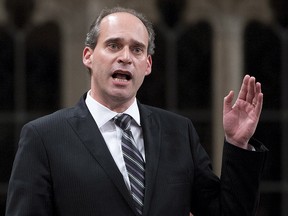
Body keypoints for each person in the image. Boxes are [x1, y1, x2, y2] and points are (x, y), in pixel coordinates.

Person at [5, 6, 267, 216]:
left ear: (148, 64)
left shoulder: (179, 132)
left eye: (137, 49)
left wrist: (237, 144)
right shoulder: (44, 137)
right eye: (113, 45)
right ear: (88, 56)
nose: (126, 57)